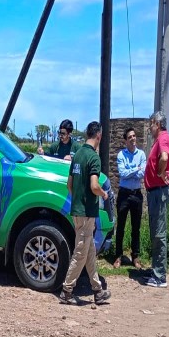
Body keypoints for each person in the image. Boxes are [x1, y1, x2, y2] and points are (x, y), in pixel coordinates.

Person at [60, 121, 112, 305]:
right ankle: (67, 290)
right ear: (98, 136)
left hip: (76, 212)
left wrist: (79, 199)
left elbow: (69, 185)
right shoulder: (93, 157)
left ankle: (97, 290)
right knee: (80, 252)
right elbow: (94, 185)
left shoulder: (78, 155)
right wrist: (103, 194)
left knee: (89, 251)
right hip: (87, 213)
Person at [144, 111, 169, 288]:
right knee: (156, 231)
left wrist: (160, 172)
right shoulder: (161, 139)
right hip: (155, 192)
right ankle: (157, 269)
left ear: (157, 123)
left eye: (151, 123)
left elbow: (164, 157)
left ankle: (159, 276)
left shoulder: (163, 138)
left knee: (159, 233)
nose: (149, 127)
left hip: (158, 192)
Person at [114, 127, 146, 268]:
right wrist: (136, 169)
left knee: (136, 227)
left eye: (134, 136)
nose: (133, 139)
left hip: (136, 194)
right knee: (120, 226)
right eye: (130, 137)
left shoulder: (142, 154)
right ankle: (118, 256)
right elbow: (122, 174)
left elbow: (142, 174)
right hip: (124, 194)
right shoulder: (121, 155)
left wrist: (132, 171)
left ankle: (135, 256)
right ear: (125, 140)